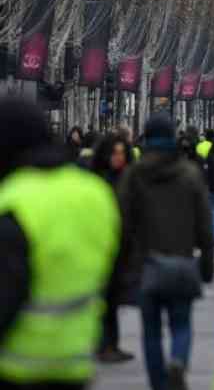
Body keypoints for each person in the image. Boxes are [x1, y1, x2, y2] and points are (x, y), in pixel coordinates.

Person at [0, 98, 122, 389]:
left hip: (14, 366)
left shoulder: (13, 199)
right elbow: (114, 274)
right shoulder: (95, 194)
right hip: (74, 363)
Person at [118, 115, 214, 390]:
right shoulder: (190, 174)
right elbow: (205, 226)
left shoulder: (134, 174)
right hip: (183, 262)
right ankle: (178, 360)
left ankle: (159, 384)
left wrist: (122, 265)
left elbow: (122, 223)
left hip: (146, 265)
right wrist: (207, 265)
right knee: (181, 324)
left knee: (150, 332)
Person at [91, 133, 136, 363]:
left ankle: (111, 344)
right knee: (104, 298)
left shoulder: (129, 178)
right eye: (114, 153)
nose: (118, 157)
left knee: (113, 298)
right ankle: (102, 345)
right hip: (98, 245)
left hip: (121, 246)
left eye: (122, 153)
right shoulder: (97, 179)